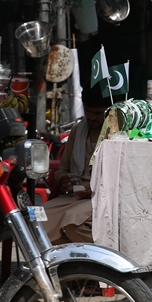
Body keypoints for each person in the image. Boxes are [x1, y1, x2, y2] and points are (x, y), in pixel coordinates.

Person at [42, 88, 107, 245]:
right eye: (88, 111)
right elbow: (62, 169)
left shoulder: (116, 135)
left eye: (98, 113)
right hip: (76, 195)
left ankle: (107, 261)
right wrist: (63, 179)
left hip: (103, 197)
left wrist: (96, 189)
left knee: (72, 223)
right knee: (38, 219)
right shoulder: (78, 130)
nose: (91, 117)